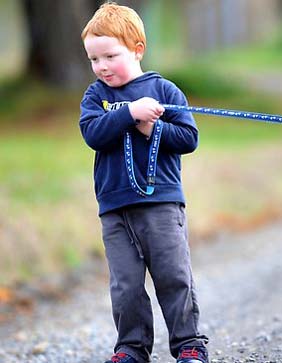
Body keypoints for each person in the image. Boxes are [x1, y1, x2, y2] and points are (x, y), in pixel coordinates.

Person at [79, 3, 209, 363]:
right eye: (94, 59)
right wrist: (129, 113)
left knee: (173, 277)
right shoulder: (96, 97)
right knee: (126, 286)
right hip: (115, 208)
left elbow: (188, 138)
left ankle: (189, 345)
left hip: (161, 204)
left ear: (137, 49)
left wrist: (154, 127)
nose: (102, 66)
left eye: (110, 56)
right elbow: (93, 133)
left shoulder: (164, 90)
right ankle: (132, 349)